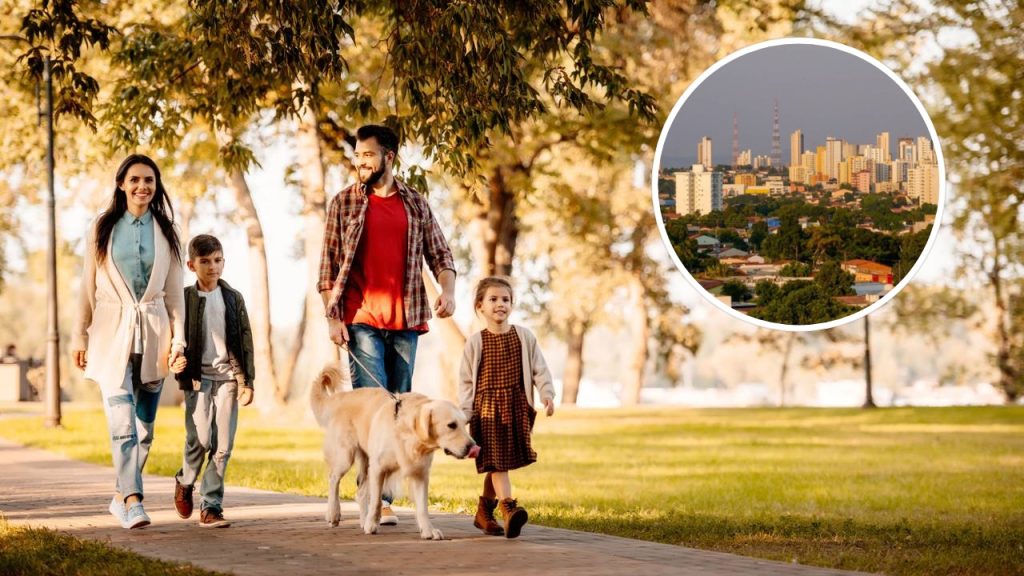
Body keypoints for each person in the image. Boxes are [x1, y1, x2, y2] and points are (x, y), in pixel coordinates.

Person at [318, 124, 456, 525]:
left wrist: (448, 292)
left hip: (407, 322)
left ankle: (378, 491)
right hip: (360, 320)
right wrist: (333, 318)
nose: (360, 162)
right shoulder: (344, 202)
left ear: (389, 158)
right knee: (375, 406)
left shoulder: (416, 205)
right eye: (357, 156)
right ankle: (377, 498)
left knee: (400, 409)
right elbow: (327, 270)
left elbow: (442, 257)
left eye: (368, 155)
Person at [72, 154, 187, 530]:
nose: (142, 187)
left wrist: (179, 341)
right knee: (121, 420)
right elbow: (86, 286)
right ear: (121, 183)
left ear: (156, 186)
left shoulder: (168, 230)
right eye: (135, 179)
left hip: (155, 335)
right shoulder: (101, 228)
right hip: (110, 334)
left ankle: (121, 493)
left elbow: (174, 294)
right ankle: (134, 500)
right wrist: (79, 335)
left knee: (143, 429)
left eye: (149, 180)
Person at [458, 276, 555, 539]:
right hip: (486, 411)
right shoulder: (475, 342)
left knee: (498, 461)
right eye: (493, 299)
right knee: (498, 462)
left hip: (516, 407)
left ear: (512, 305)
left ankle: (483, 513)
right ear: (480, 306)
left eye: (505, 299)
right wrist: (465, 413)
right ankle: (509, 509)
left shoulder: (524, 337)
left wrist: (546, 394)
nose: (500, 304)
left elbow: (539, 368)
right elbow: (466, 382)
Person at [172, 234, 255, 528]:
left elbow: (245, 341)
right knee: (200, 440)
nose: (212, 267)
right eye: (205, 262)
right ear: (191, 265)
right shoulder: (183, 299)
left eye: (217, 260)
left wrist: (247, 382)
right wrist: (175, 360)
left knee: (223, 445)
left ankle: (211, 506)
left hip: (228, 380)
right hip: (197, 380)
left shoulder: (233, 298)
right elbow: (174, 339)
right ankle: (185, 480)